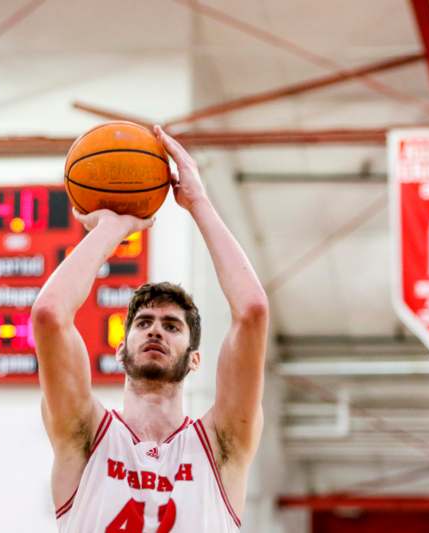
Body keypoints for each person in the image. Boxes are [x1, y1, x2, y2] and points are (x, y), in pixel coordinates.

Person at [31, 125, 269, 532]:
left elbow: (252, 311)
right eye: (143, 323)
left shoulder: (221, 444)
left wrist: (199, 203)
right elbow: (50, 315)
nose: (156, 331)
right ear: (121, 350)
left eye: (172, 326)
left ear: (196, 358)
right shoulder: (84, 435)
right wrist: (112, 228)